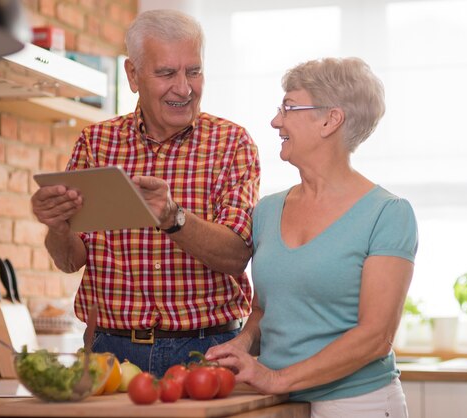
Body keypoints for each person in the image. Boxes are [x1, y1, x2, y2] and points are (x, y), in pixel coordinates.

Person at [30, 9, 260, 378]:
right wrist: (57, 227)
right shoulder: (96, 144)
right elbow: (71, 260)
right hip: (109, 351)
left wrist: (174, 219)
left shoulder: (231, 143)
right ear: (133, 75)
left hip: (207, 350)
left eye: (194, 71)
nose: (184, 88)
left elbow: (236, 255)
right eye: (167, 73)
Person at [205, 57, 418, 418]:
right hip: (279, 403)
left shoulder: (388, 213)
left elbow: (375, 337)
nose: (275, 121)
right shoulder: (267, 210)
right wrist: (242, 344)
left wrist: (276, 378)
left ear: (330, 119)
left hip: (357, 403)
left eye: (288, 107)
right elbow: (265, 309)